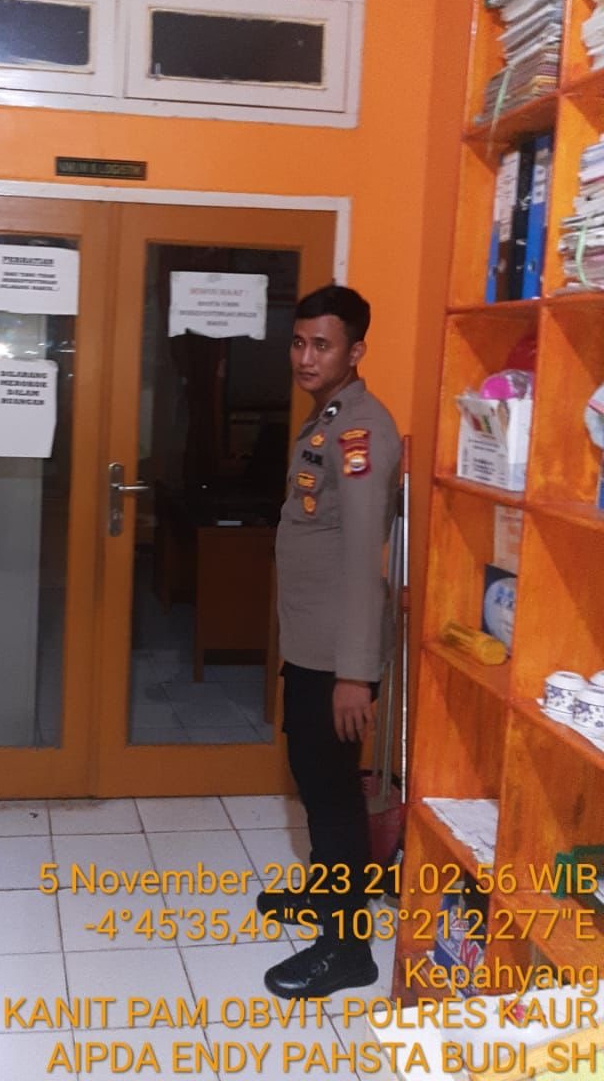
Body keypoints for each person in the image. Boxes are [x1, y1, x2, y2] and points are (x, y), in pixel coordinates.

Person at [261, 284, 401, 1000]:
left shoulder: (360, 433)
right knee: (316, 782)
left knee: (334, 796)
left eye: (323, 345)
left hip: (335, 655)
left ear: (356, 351)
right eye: (299, 342)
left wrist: (354, 674)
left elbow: (360, 556)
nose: (306, 357)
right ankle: (328, 895)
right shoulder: (328, 419)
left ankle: (347, 951)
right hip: (311, 643)